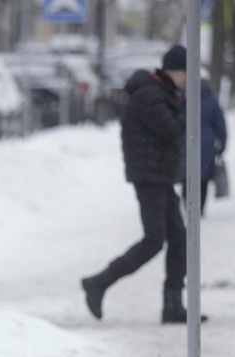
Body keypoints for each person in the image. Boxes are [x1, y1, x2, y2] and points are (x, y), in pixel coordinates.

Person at [81, 44, 199, 324]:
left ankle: (173, 305)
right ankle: (99, 282)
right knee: (154, 241)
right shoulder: (151, 96)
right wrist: (187, 112)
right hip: (150, 177)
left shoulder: (158, 92)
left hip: (159, 176)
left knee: (179, 239)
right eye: (186, 73)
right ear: (175, 71)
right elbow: (170, 130)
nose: (188, 80)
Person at [182, 72, 227, 217]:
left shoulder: (184, 97)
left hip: (186, 143)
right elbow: (221, 126)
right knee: (203, 178)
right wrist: (222, 146)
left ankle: (188, 207)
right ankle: (199, 210)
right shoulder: (212, 100)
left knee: (186, 176)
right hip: (206, 146)